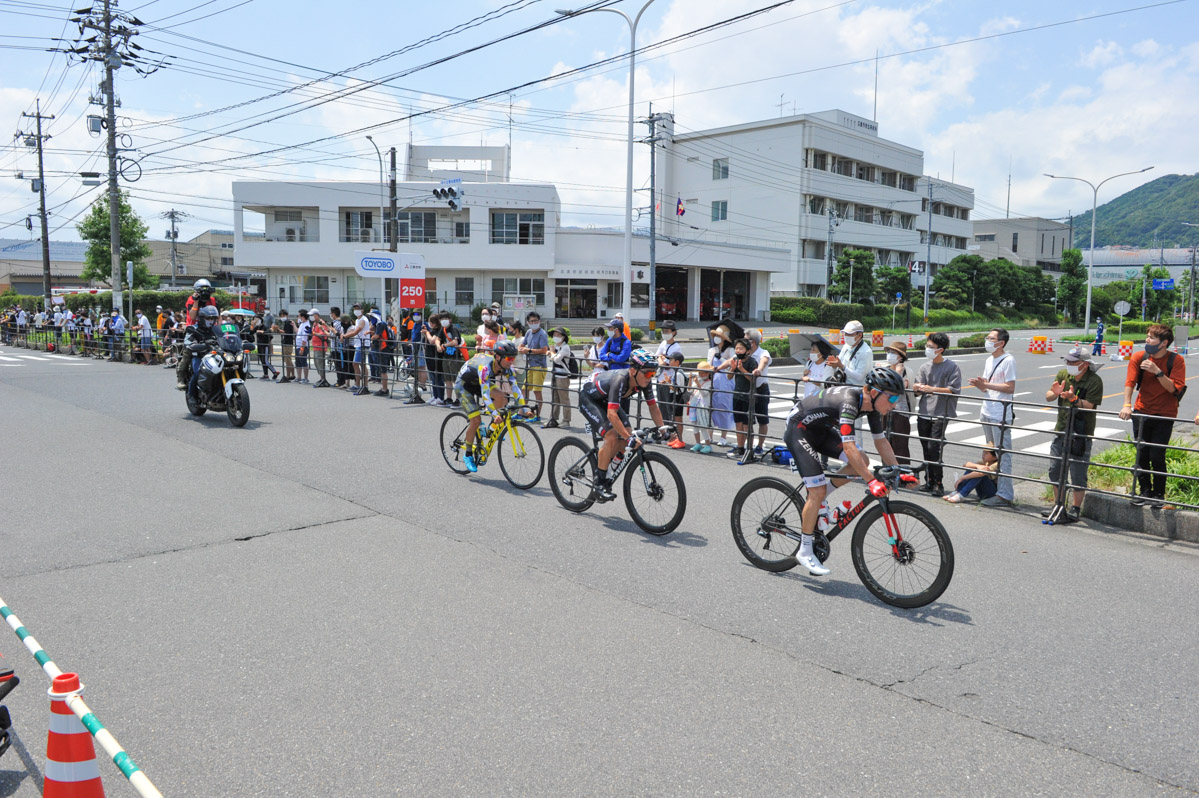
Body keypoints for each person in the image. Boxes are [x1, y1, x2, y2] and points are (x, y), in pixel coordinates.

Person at [782, 367, 905, 575]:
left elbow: (881, 441)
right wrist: (872, 481)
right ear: (873, 392)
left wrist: (897, 470)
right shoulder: (849, 401)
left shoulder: (873, 406)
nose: (894, 405)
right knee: (817, 490)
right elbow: (849, 447)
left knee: (862, 460)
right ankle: (804, 550)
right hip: (799, 429)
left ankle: (823, 496)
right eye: (892, 399)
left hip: (820, 430)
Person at [577, 347, 671, 501]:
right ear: (633, 370)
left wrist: (662, 429)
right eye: (647, 373)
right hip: (590, 399)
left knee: (627, 436)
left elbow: (653, 406)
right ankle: (600, 484)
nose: (650, 377)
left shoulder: (644, 382)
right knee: (612, 437)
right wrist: (628, 438)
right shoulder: (620, 379)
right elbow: (611, 414)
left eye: (653, 374)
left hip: (606, 400)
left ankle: (607, 470)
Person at [1119, 324, 1186, 506]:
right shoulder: (1139, 357)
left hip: (1165, 414)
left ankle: (1158, 495)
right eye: (1147, 336)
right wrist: (1127, 405)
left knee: (1157, 455)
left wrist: (1157, 371)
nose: (1147, 340)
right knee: (1142, 454)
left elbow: (1174, 389)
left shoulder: (1176, 360)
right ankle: (1144, 491)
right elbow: (1130, 382)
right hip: (1141, 411)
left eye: (1151, 337)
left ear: (1164, 343)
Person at [1043, 348, 1103, 521]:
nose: (1068, 365)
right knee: (1055, 469)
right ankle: (1058, 504)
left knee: (1078, 471)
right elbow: (1048, 396)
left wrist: (1073, 399)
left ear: (1084, 364)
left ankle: (1075, 509)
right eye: (1067, 362)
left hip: (1081, 431)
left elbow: (1090, 405)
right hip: (1062, 427)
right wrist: (1054, 393)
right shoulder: (1063, 374)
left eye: (1072, 362)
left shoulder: (1094, 380)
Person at [455, 341, 528, 473]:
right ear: (498, 357)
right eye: (509, 358)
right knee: (475, 420)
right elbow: (485, 395)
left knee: (501, 397)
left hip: (479, 382)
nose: (511, 361)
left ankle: (490, 428)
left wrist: (524, 408)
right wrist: (495, 414)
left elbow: (515, 388)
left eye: (513, 358)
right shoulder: (486, 368)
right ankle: (468, 455)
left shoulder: (506, 368)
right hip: (464, 386)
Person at [968, 328, 1017, 507]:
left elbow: (1010, 387)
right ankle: (993, 489)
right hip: (987, 410)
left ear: (1001, 343)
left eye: (991, 338)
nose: (987, 340)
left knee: (1003, 455)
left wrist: (986, 384)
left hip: (1000, 413)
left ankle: (1005, 494)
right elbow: (988, 387)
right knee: (991, 454)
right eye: (987, 337)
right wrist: (981, 385)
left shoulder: (1008, 360)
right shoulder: (990, 359)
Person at [911, 331, 961, 497]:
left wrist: (932, 389)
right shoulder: (925, 367)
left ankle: (938, 482)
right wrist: (917, 388)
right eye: (927, 346)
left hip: (941, 413)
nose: (927, 349)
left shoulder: (952, 367)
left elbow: (954, 390)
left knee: (934, 448)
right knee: (926, 447)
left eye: (931, 347)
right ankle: (929, 481)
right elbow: (917, 390)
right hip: (924, 411)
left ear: (940, 349)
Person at [728, 337, 760, 461]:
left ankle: (749, 449)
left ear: (747, 350)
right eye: (736, 348)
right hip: (737, 395)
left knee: (748, 425)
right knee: (738, 423)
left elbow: (752, 379)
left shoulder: (752, 362)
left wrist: (741, 369)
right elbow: (729, 377)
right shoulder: (735, 360)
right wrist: (732, 368)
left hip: (749, 396)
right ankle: (740, 447)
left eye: (741, 348)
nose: (738, 351)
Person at [883, 341, 912, 466]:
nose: (890, 355)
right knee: (885, 442)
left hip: (900, 412)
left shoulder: (907, 371)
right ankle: (887, 470)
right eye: (889, 352)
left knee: (900, 444)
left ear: (901, 356)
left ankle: (903, 474)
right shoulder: (886, 369)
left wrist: (899, 374)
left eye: (893, 353)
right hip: (885, 410)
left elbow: (900, 389)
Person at [708, 323, 737, 447]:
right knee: (711, 408)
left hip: (726, 381)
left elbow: (732, 364)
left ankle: (723, 436)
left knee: (725, 408)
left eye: (719, 336)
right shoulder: (711, 350)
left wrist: (721, 359)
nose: (716, 338)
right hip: (714, 380)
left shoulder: (731, 351)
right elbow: (708, 365)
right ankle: (709, 436)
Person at [184, 305, 221, 398]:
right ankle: (191, 395)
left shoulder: (217, 329)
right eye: (208, 318)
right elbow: (187, 341)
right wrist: (195, 345)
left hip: (216, 355)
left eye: (213, 318)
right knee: (197, 373)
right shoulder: (194, 328)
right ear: (201, 318)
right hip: (200, 356)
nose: (211, 321)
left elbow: (227, 337)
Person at [746, 329, 772, 458]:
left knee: (762, 419)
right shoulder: (744, 353)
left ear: (753, 342)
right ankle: (748, 445)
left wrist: (759, 370)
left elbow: (764, 361)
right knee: (748, 420)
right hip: (747, 390)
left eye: (746, 339)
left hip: (761, 388)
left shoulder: (763, 353)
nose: (744, 342)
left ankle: (760, 446)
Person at [520, 311, 549, 422]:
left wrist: (529, 350)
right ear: (528, 322)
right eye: (531, 321)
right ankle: (521, 413)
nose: (534, 323)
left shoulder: (542, 334)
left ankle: (537, 416)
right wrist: (521, 348)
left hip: (539, 366)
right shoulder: (528, 332)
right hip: (530, 365)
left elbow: (544, 350)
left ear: (539, 321)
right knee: (525, 389)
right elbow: (522, 344)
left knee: (537, 391)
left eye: (535, 321)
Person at [544, 327, 574, 429]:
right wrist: (551, 353)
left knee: (564, 399)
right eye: (554, 335)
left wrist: (551, 352)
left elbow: (556, 359)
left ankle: (566, 420)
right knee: (555, 399)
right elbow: (553, 357)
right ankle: (553, 418)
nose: (556, 337)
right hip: (555, 375)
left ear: (563, 337)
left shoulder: (565, 347)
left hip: (563, 377)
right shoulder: (556, 347)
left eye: (558, 335)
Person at [828, 320, 872, 387]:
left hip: (857, 390)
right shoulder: (846, 346)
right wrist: (834, 365)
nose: (846, 336)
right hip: (843, 386)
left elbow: (860, 377)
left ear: (859, 335)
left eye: (849, 334)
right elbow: (839, 364)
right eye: (845, 333)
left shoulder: (866, 352)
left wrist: (842, 366)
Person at [340, 304, 369, 394]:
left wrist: (344, 336)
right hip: (358, 344)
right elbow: (354, 331)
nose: (356, 310)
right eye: (355, 308)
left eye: (358, 308)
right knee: (359, 364)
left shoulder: (363, 320)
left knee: (357, 364)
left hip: (362, 344)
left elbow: (356, 331)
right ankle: (361, 384)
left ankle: (361, 385)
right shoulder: (357, 320)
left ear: (362, 310)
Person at [687, 361, 714, 452]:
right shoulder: (699, 380)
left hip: (702, 405)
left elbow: (704, 393)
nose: (701, 374)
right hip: (694, 404)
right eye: (700, 373)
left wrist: (698, 384)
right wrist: (690, 380)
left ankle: (708, 445)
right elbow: (689, 390)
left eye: (703, 372)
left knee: (702, 426)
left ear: (708, 373)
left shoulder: (710, 383)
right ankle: (698, 443)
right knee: (694, 425)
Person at [310, 310, 332, 388]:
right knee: (316, 363)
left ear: (317, 315)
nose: (311, 317)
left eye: (312, 315)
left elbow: (323, 334)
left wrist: (314, 333)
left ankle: (323, 378)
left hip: (320, 346)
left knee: (320, 362)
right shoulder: (314, 323)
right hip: (316, 346)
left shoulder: (321, 323)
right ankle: (321, 378)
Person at [275, 309, 296, 383]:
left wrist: (279, 330)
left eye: (283, 315)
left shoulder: (288, 322)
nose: (282, 317)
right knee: (288, 359)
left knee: (287, 360)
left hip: (288, 342)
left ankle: (288, 375)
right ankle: (292, 374)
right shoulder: (285, 322)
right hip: (286, 342)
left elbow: (287, 332)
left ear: (287, 315)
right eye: (281, 315)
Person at [294, 309, 311, 384]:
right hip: (298, 345)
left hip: (302, 346)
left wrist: (302, 348)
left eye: (299, 316)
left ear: (303, 317)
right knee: (298, 362)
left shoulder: (307, 325)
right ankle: (299, 377)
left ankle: (305, 378)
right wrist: (294, 325)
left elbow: (305, 337)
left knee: (303, 362)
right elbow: (298, 332)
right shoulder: (302, 324)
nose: (298, 317)